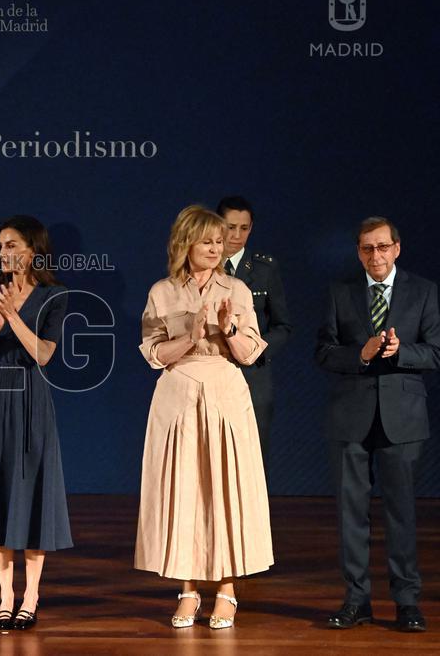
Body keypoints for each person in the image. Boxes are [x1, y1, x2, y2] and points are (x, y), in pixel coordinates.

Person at [135, 205, 273, 629]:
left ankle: (227, 590)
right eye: (207, 241)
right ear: (186, 243)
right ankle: (188, 590)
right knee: (183, 490)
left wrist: (228, 330)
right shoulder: (162, 291)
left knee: (226, 488)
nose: (216, 248)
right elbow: (153, 353)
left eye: (219, 241)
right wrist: (190, 337)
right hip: (177, 392)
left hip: (225, 392)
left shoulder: (237, 289)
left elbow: (250, 353)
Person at [316, 217, 439, 633]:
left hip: (402, 419)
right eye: (368, 248)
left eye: (383, 247)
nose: (376, 255)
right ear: (358, 252)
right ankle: (357, 601)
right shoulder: (341, 292)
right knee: (351, 515)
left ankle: (407, 602)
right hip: (350, 419)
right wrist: (361, 354)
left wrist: (402, 351)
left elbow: (435, 352)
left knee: (401, 513)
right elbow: (323, 352)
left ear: (397, 248)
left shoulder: (424, 291)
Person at [0, 215, 72, 631]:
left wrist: (14, 318)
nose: (3, 253)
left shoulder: (54, 295)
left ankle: (31, 596)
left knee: (32, 491)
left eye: (12, 245)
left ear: (33, 249)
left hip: (31, 399)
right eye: (1, 246)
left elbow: (43, 354)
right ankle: (6, 596)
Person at [217, 196, 292, 461]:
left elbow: (283, 326)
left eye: (244, 228)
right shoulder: (201, 265)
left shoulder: (264, 268)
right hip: (211, 373)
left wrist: (255, 352)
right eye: (230, 227)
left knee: (252, 460)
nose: (237, 235)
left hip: (253, 378)